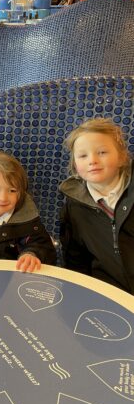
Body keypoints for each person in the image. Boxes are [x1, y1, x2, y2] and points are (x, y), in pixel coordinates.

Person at [60, 118, 134, 293]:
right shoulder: (74, 207)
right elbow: (76, 260)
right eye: (83, 156)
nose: (92, 160)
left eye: (102, 152)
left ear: (122, 157)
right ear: (75, 165)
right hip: (108, 291)